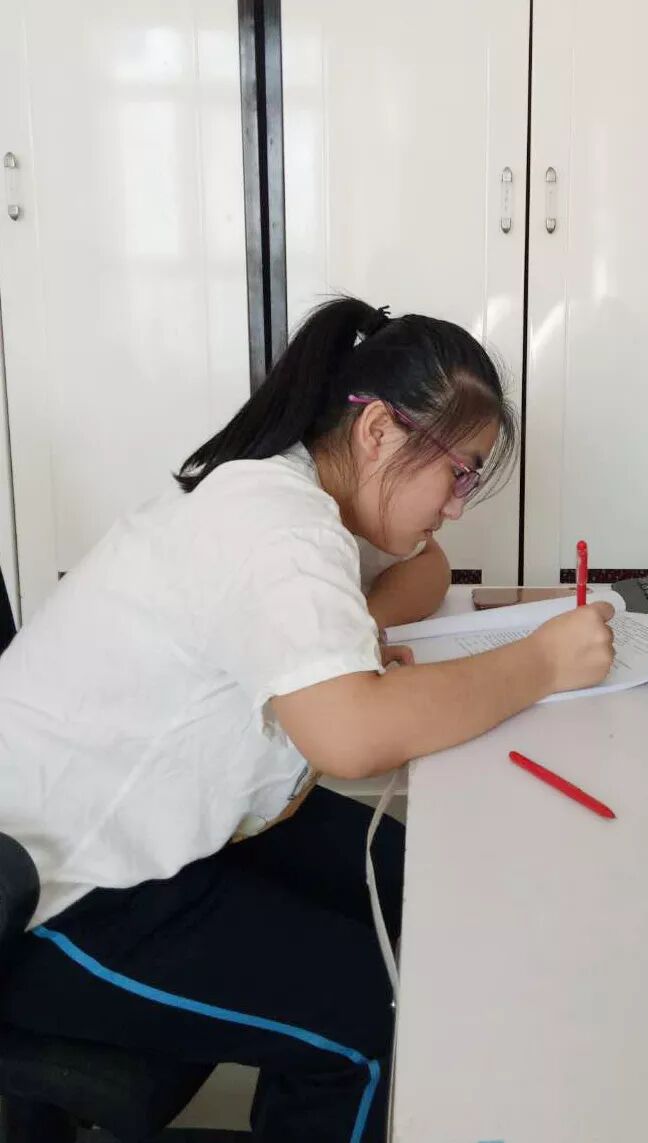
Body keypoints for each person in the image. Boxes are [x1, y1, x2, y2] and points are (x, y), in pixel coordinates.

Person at [0, 297, 615, 1141]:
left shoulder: (308, 489)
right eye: (460, 474)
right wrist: (541, 663)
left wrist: (350, 637)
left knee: (431, 886)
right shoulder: (276, 525)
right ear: (379, 433)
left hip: (184, 827)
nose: (457, 505)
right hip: (59, 891)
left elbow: (428, 568)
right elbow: (350, 736)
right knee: (370, 1021)